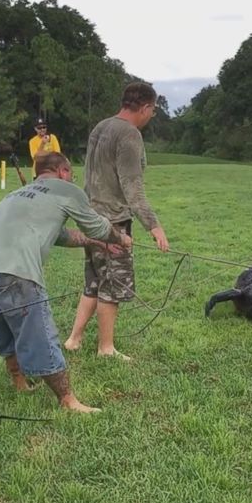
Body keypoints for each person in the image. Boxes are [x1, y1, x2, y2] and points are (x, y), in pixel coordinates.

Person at [0, 152, 131, 413]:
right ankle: (68, 400)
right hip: (17, 269)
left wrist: (95, 242)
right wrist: (119, 238)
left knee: (6, 326)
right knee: (41, 334)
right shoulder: (67, 190)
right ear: (63, 171)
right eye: (70, 172)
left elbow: (61, 234)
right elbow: (99, 226)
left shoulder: (19, 193)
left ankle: (19, 382)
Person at [63, 82, 170, 361]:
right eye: (153, 110)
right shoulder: (129, 134)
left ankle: (74, 340)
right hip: (112, 224)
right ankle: (106, 349)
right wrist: (154, 225)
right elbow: (133, 187)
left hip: (90, 217)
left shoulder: (101, 126)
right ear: (145, 107)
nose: (152, 115)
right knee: (111, 286)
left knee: (94, 283)